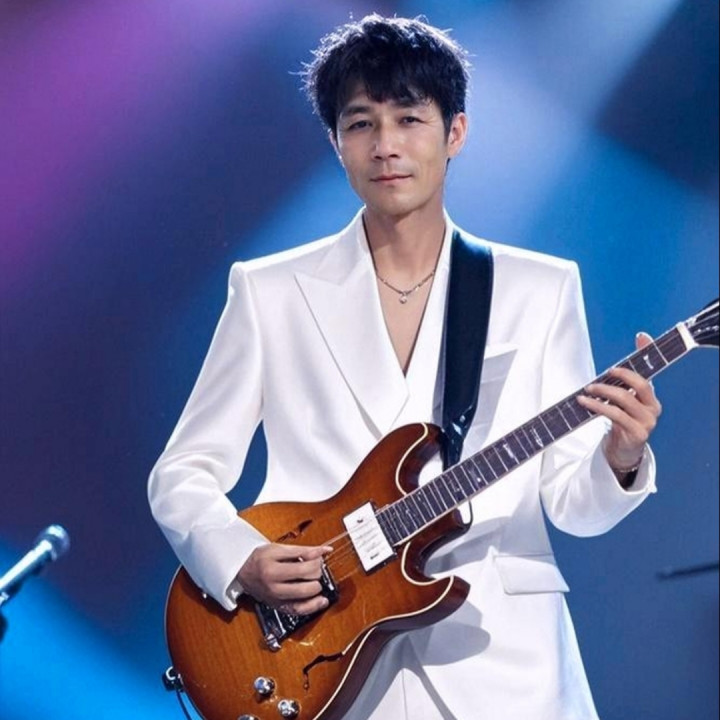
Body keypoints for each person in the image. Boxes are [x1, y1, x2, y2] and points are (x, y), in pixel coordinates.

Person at [148, 14, 662, 720]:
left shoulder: (540, 288)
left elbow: (575, 505)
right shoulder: (269, 291)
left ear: (456, 132)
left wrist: (622, 457)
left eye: (410, 119)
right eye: (361, 123)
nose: (385, 145)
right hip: (321, 655)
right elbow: (181, 472)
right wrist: (240, 559)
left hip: (507, 669)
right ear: (335, 142)